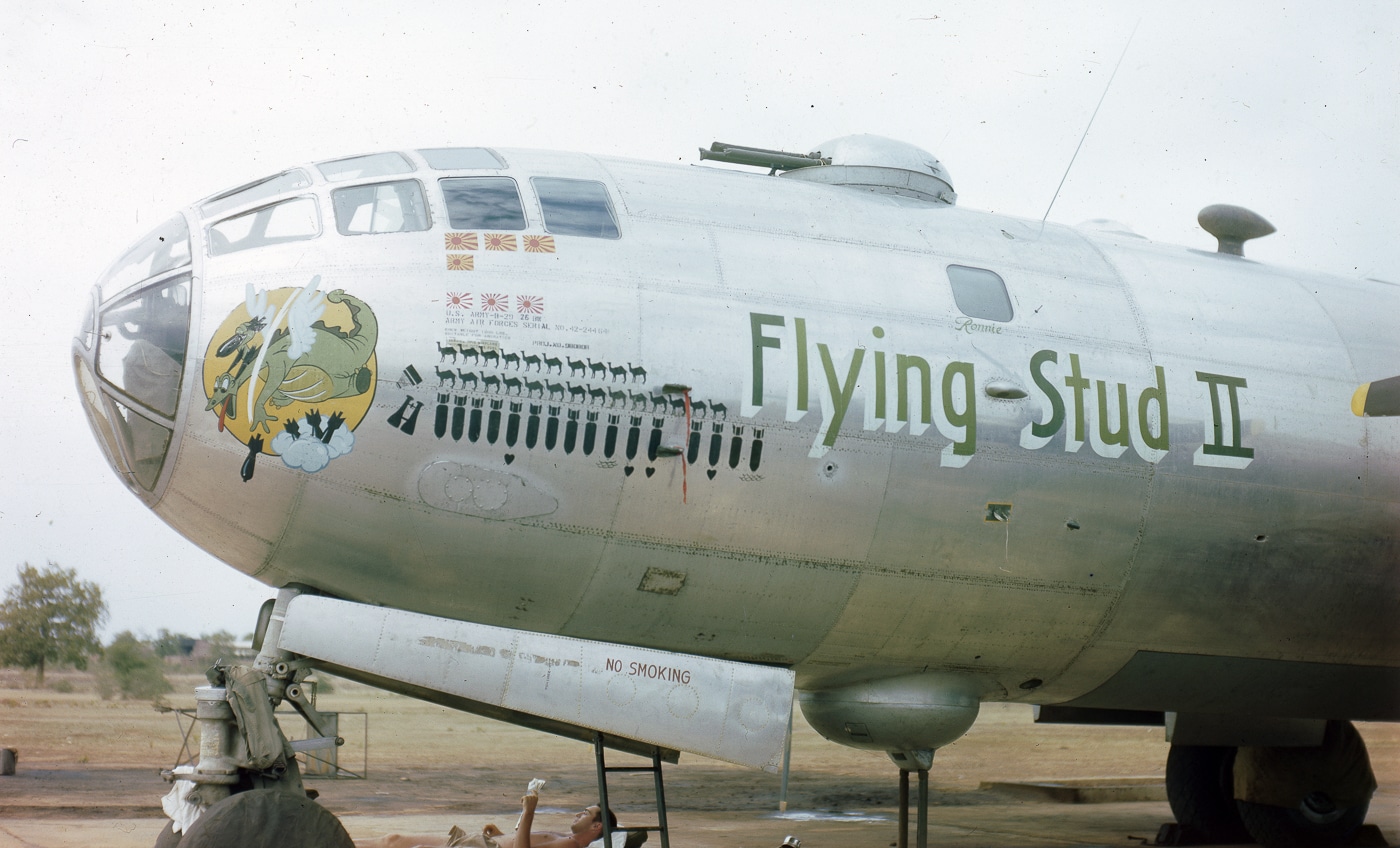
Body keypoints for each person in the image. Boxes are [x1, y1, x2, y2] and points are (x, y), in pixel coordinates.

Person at [353, 795, 619, 848]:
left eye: (585, 813)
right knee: (393, 840)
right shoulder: (564, 836)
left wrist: (528, 812)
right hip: (485, 842)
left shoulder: (570, 847)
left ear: (597, 827)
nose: (577, 814)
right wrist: (503, 834)